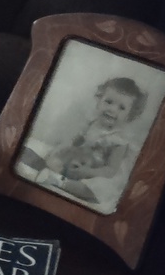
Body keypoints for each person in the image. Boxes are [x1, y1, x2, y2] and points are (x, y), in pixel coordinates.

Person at [18, 76, 148, 209]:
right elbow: (77, 140)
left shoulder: (120, 141)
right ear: (99, 100)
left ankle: (60, 182)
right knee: (55, 156)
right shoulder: (92, 123)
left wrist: (89, 172)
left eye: (121, 108)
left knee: (98, 189)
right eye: (108, 102)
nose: (112, 109)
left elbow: (110, 170)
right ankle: (45, 168)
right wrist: (66, 147)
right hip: (79, 159)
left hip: (96, 172)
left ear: (130, 115)